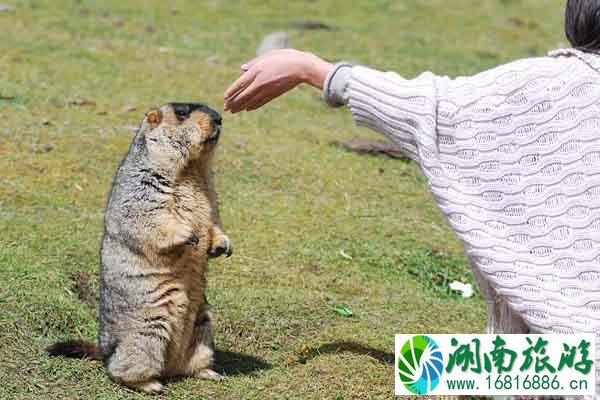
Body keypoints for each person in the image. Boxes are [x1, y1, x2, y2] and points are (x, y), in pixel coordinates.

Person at [225, 0, 600, 395]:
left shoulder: (545, 83)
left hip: (572, 369)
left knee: (424, 366)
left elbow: (428, 108)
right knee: (428, 365)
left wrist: (310, 68)